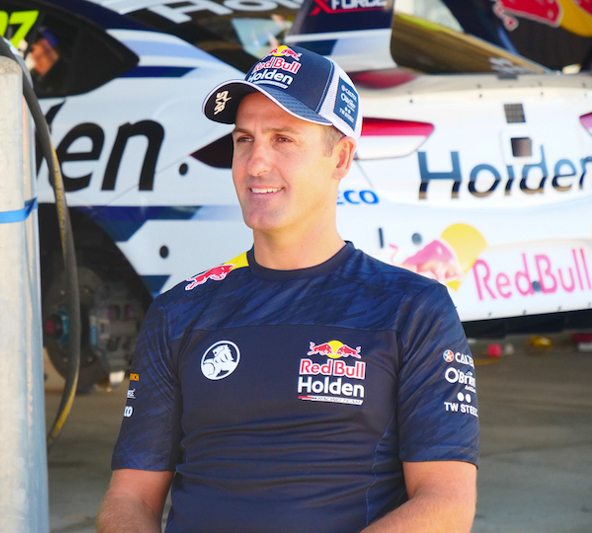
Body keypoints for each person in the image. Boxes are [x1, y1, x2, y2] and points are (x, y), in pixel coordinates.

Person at [96, 45, 479, 533]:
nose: (255, 164)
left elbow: (446, 505)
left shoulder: (412, 309)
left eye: (283, 139)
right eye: (244, 140)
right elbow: (129, 500)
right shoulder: (179, 311)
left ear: (340, 157)